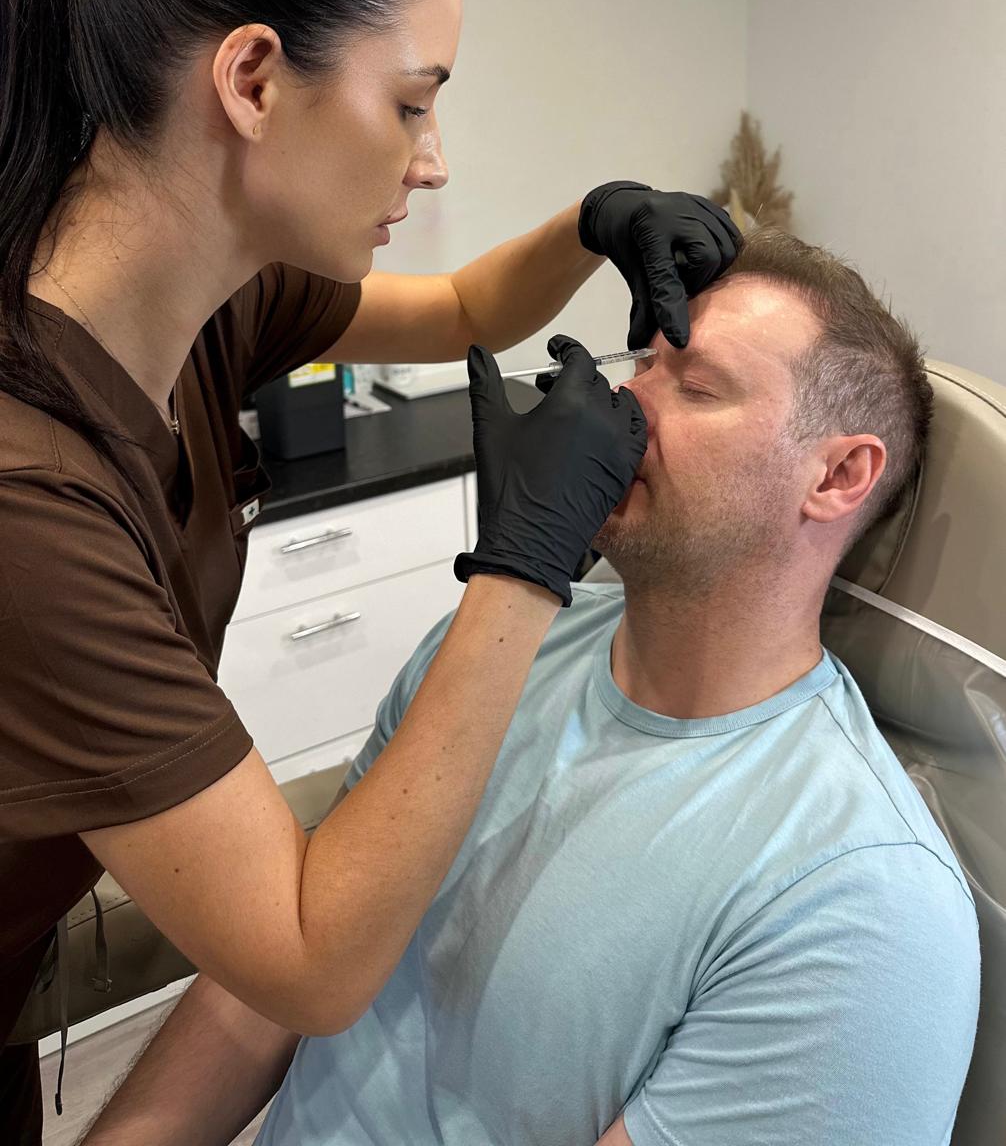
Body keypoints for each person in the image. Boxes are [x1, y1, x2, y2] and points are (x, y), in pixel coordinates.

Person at [0, 0, 741, 1143]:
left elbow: (460, 304)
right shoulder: (25, 500)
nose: (432, 155)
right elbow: (309, 961)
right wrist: (522, 567)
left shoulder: (209, 297)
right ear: (250, 79)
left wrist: (594, 222)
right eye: (408, 104)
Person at [81, 226, 980, 1146]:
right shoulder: (494, 656)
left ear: (837, 475)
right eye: (641, 366)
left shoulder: (861, 903)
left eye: (697, 386)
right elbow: (288, 962)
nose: (622, 406)